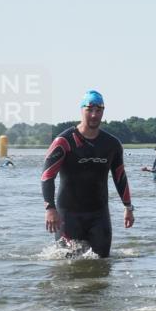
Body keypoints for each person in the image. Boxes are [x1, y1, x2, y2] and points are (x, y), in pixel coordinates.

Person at [41, 90, 134, 257]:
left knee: (103, 263)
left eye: (98, 110)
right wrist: (50, 208)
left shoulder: (111, 144)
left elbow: (120, 176)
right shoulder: (64, 141)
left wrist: (128, 207)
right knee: (67, 267)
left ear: (103, 112)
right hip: (68, 215)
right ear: (81, 110)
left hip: (99, 215)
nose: (94, 115)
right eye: (89, 110)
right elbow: (47, 176)